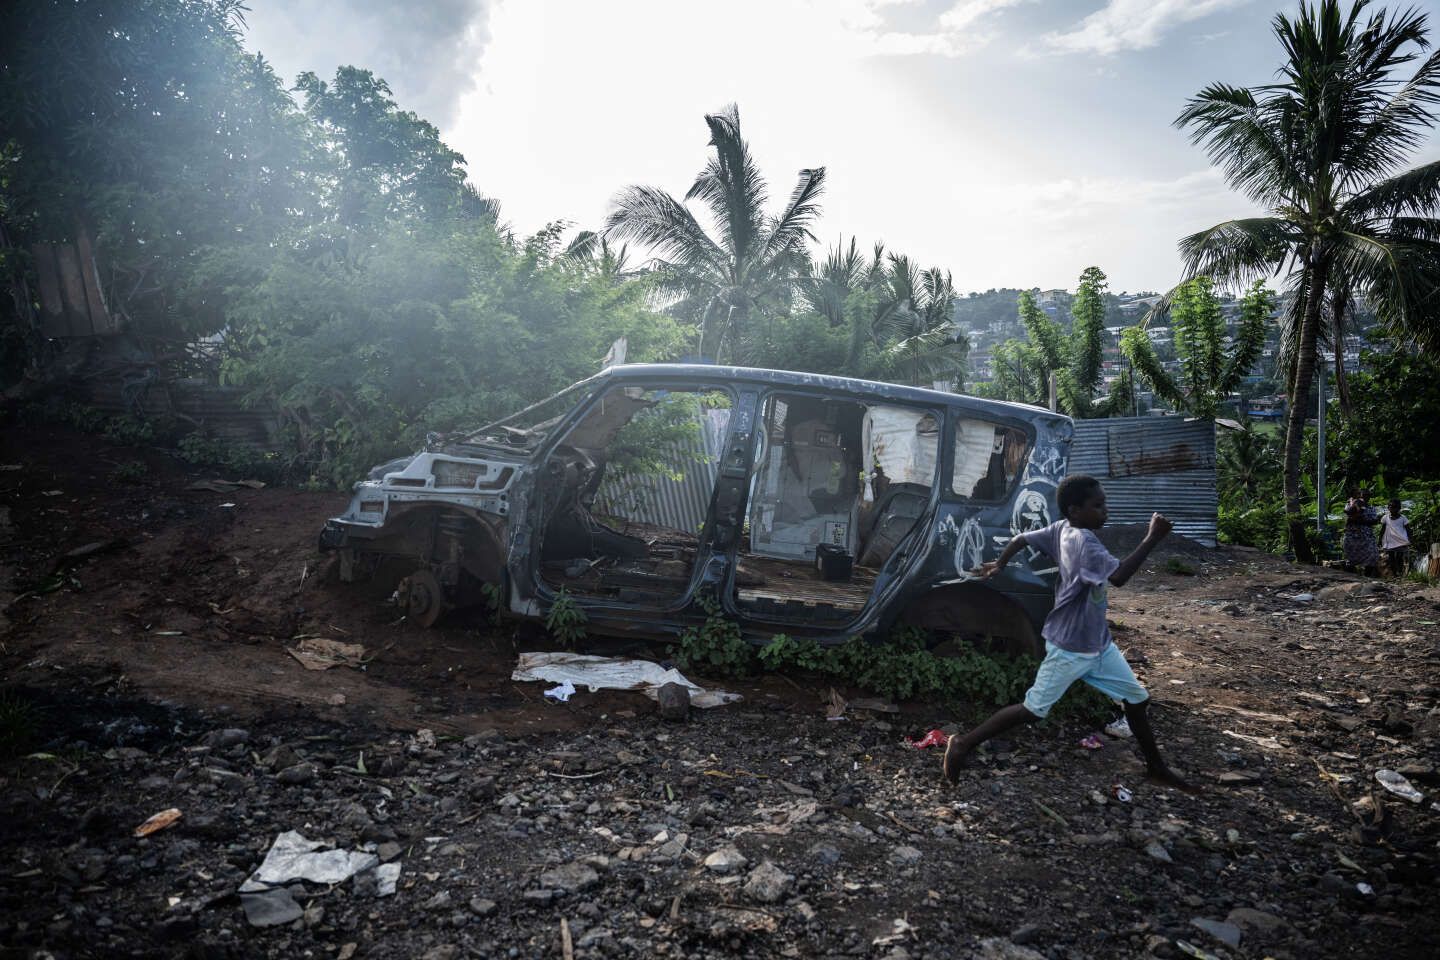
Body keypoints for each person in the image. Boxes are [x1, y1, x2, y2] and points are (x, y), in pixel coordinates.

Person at [943, 474, 1194, 792]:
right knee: (1034, 710)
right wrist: (1152, 538)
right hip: (1071, 647)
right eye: (1098, 506)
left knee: (1137, 699)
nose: (1106, 511)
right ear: (1074, 510)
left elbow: (1022, 539)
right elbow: (1118, 577)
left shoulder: (1062, 529)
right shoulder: (1085, 543)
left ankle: (1157, 768)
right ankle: (963, 744)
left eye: (1105, 504)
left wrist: (1001, 563)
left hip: (1098, 644)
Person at [1342, 488, 1381, 575]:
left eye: (1367, 495)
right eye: (1363, 495)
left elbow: (1375, 521)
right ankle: (1350, 578)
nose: (1364, 497)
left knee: (1372, 556)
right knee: (1351, 557)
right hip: (1352, 535)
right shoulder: (1350, 504)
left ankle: (1367, 577)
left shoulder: (1371, 508)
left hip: (1367, 536)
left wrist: (1358, 520)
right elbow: (1348, 517)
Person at [1379, 498, 1412, 578]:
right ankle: (1394, 574)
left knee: (1399, 558)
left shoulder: (1403, 518)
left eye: (1394, 507)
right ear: (1388, 508)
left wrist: (1410, 539)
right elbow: (1382, 529)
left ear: (1399, 508)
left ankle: (1400, 573)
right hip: (1390, 541)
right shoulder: (1385, 518)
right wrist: (1380, 539)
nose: (1391, 508)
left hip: (1401, 541)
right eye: (1390, 506)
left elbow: (1408, 529)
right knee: (1391, 559)